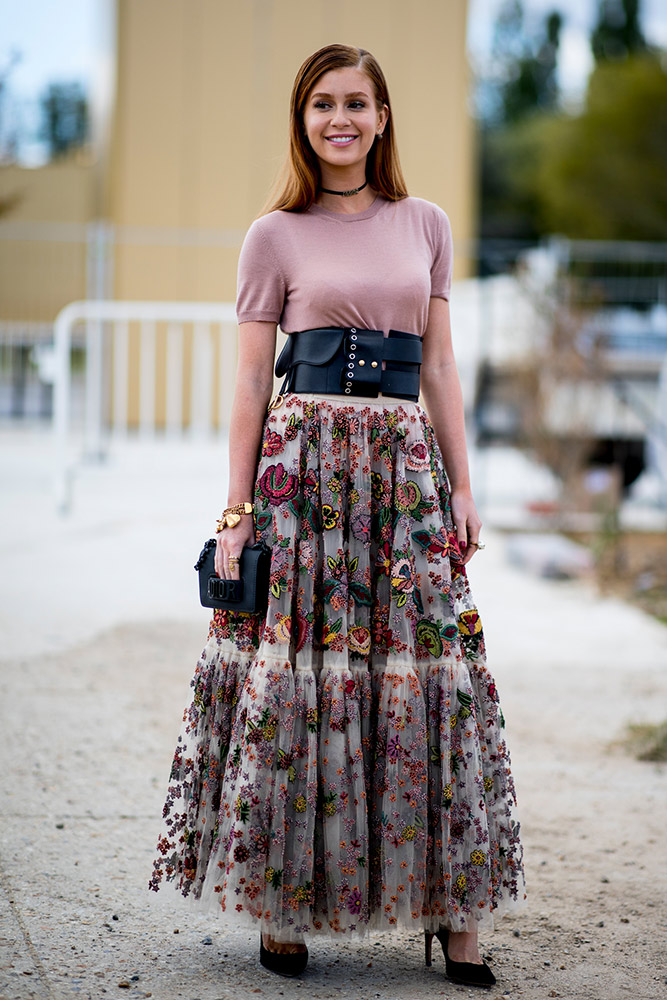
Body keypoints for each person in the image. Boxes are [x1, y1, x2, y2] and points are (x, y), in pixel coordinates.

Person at [149, 43, 525, 987]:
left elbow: (439, 367)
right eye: (321, 103)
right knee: (301, 678)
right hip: (302, 472)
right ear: (302, 118)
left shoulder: (426, 223)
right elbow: (247, 381)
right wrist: (235, 512)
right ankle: (284, 902)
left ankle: (455, 913)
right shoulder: (271, 234)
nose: (339, 118)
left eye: (356, 101)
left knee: (431, 673)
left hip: (401, 472)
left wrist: (463, 484)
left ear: (383, 115)